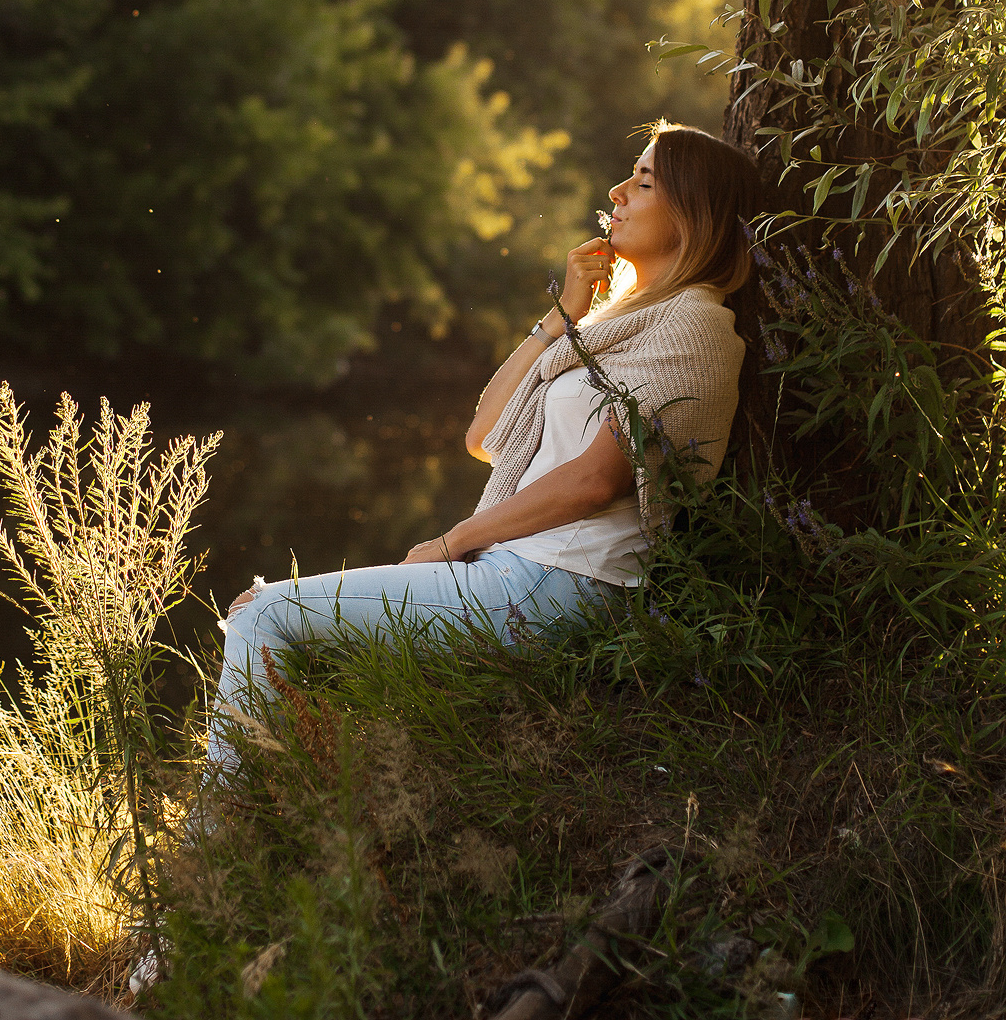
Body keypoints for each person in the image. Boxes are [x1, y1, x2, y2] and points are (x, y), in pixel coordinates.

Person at [206, 120, 762, 781]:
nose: (616, 191)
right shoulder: (623, 325)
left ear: (695, 212)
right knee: (263, 620)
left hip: (560, 586)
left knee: (266, 616)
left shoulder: (697, 327)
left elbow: (594, 483)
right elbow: (485, 434)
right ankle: (283, 823)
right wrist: (560, 321)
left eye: (642, 181)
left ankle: (219, 841)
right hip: (518, 575)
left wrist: (451, 541)